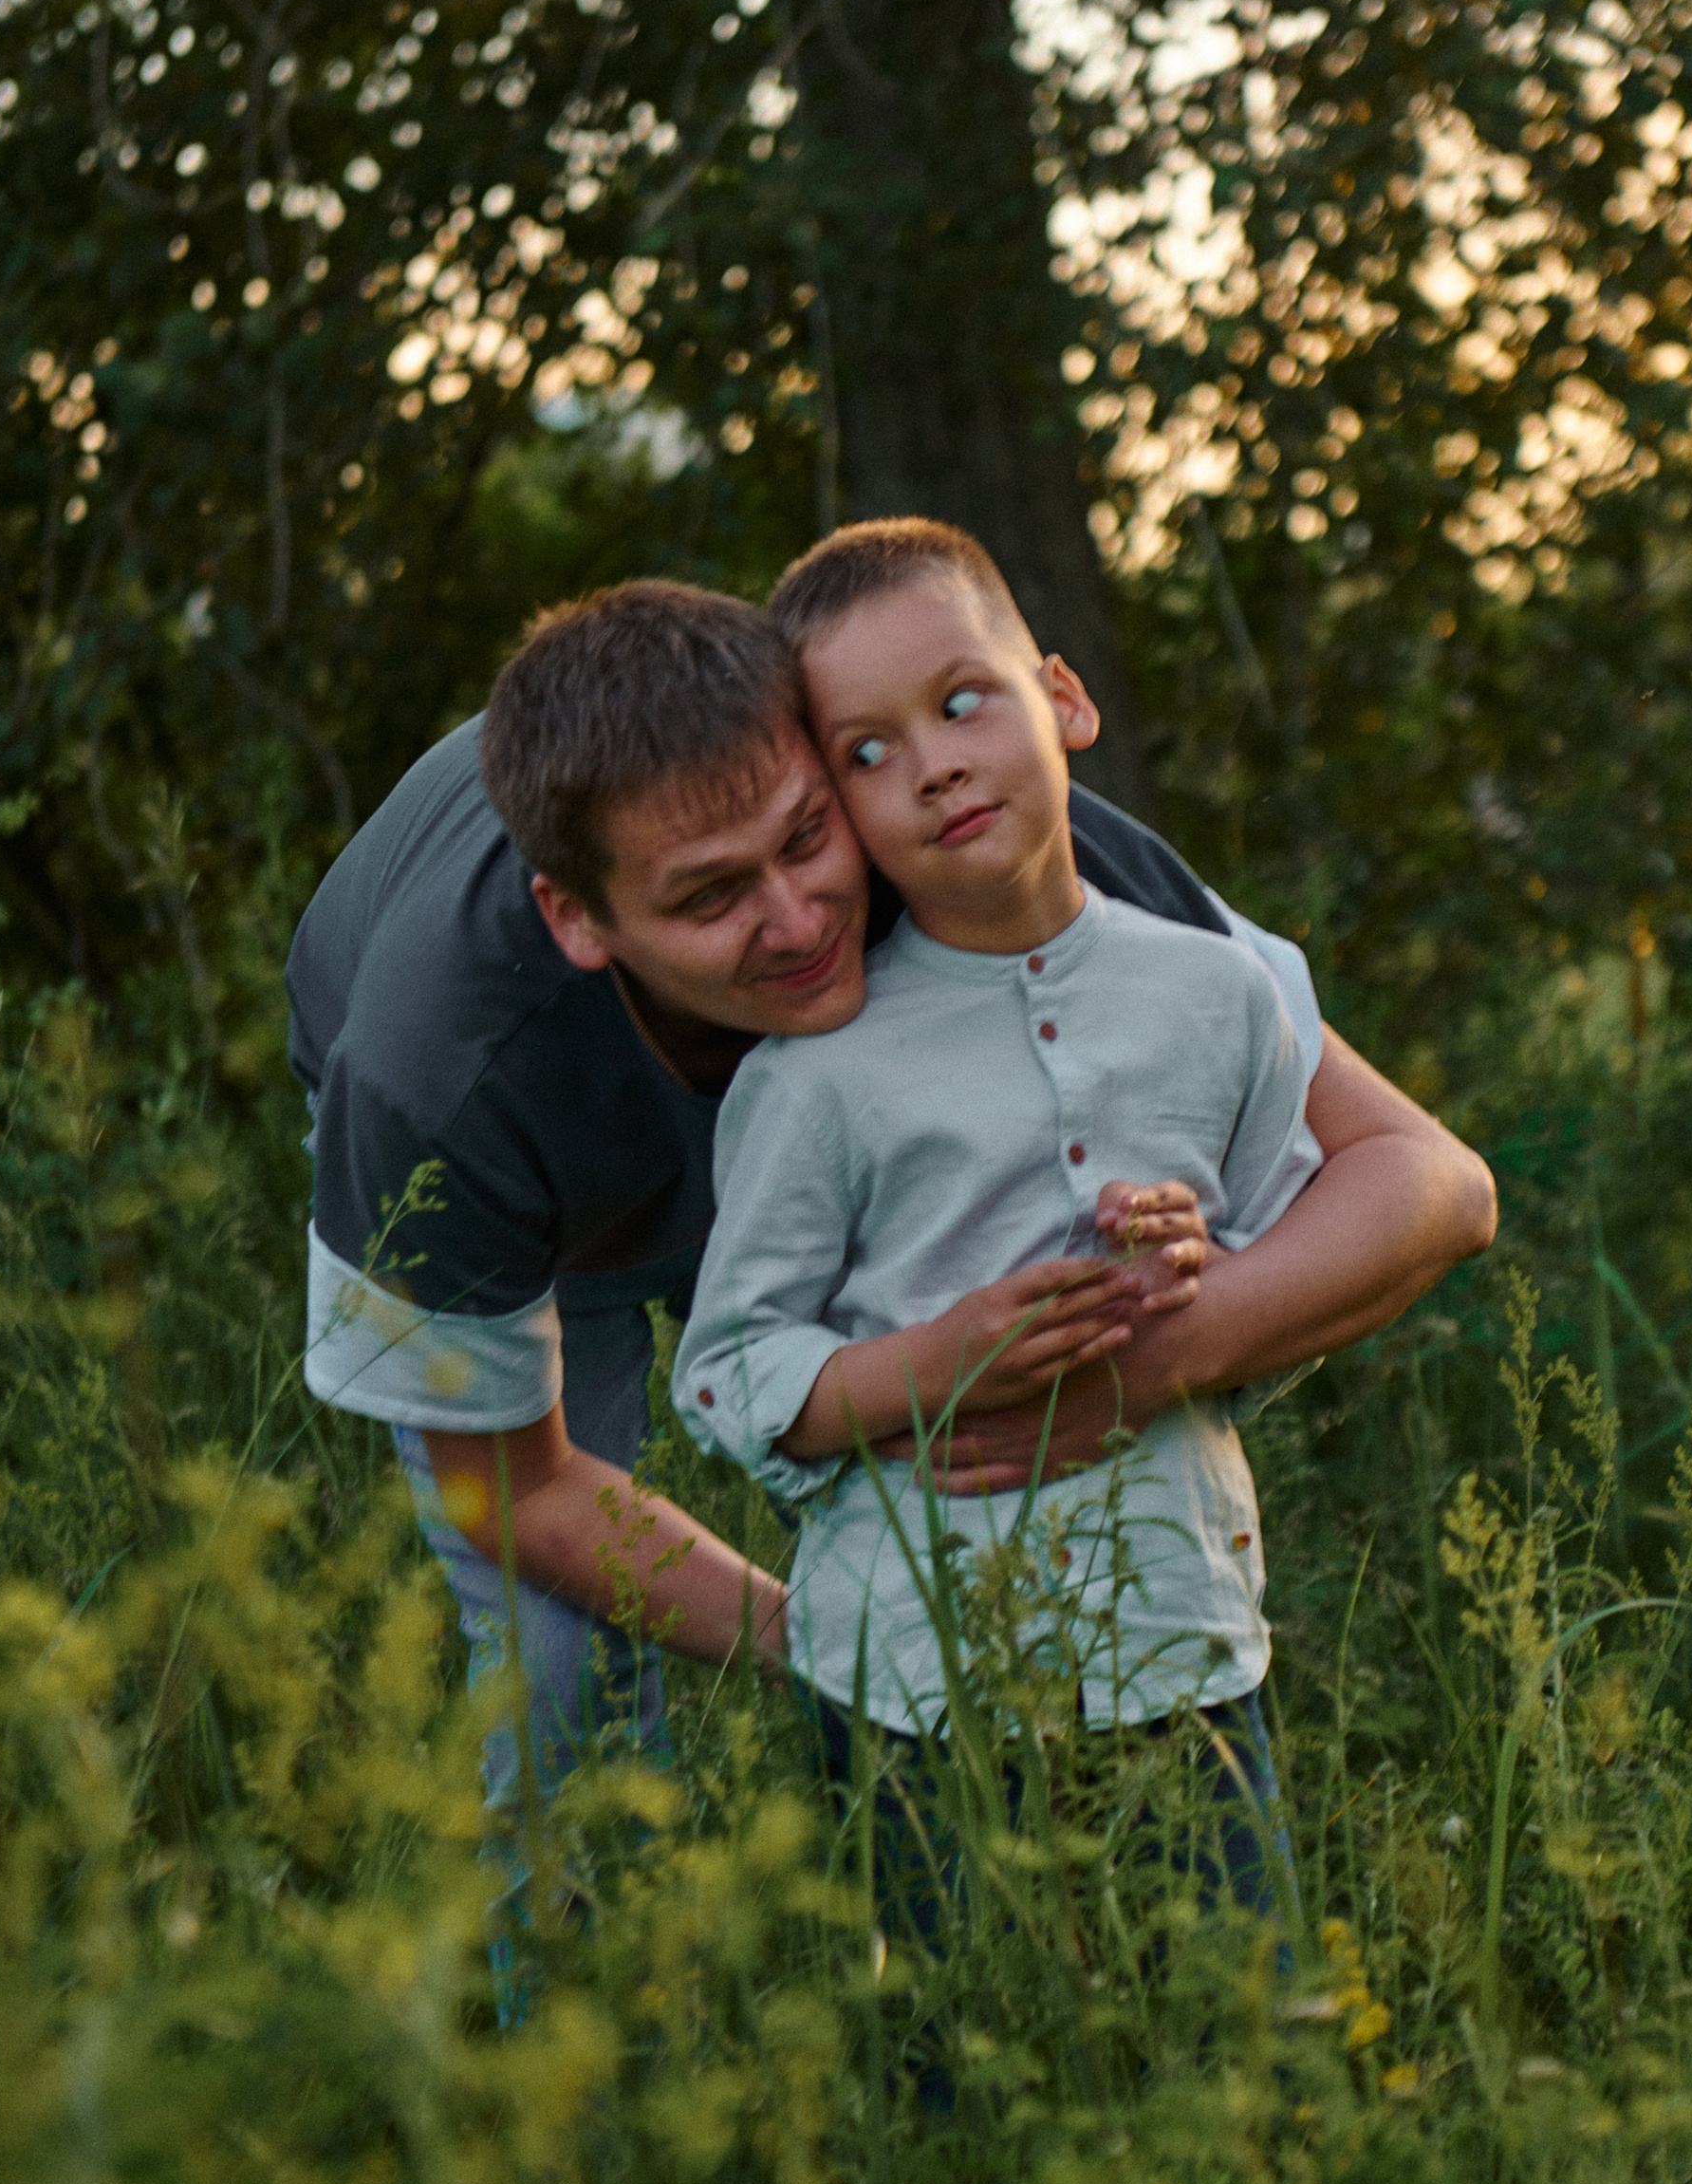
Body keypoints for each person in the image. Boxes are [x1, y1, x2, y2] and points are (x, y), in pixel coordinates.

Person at [285, 573, 1495, 1831]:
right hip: (558, 1204)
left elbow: (1433, 1183)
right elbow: (516, 1489)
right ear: (580, 918)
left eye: (810, 836)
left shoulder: (974, 826)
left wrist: (1142, 1371)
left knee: (1009, 1482)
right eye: (712, 897)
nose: (801, 920)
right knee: (561, 1673)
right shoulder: (434, 1081)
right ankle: (594, 2010)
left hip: (857, 1151)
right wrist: (836, 1641)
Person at [672, 518, 1335, 1909]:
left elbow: (1298, 1276)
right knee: (961, 2083)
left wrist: (1196, 1280)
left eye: (963, 701)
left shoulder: (1221, 998)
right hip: (915, 1688)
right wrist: (933, 1364)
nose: (934, 764)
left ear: (1064, 699)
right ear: (834, 814)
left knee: (1246, 2072)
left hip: (1183, 1647)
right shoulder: (816, 1078)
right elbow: (730, 1377)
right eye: (868, 753)